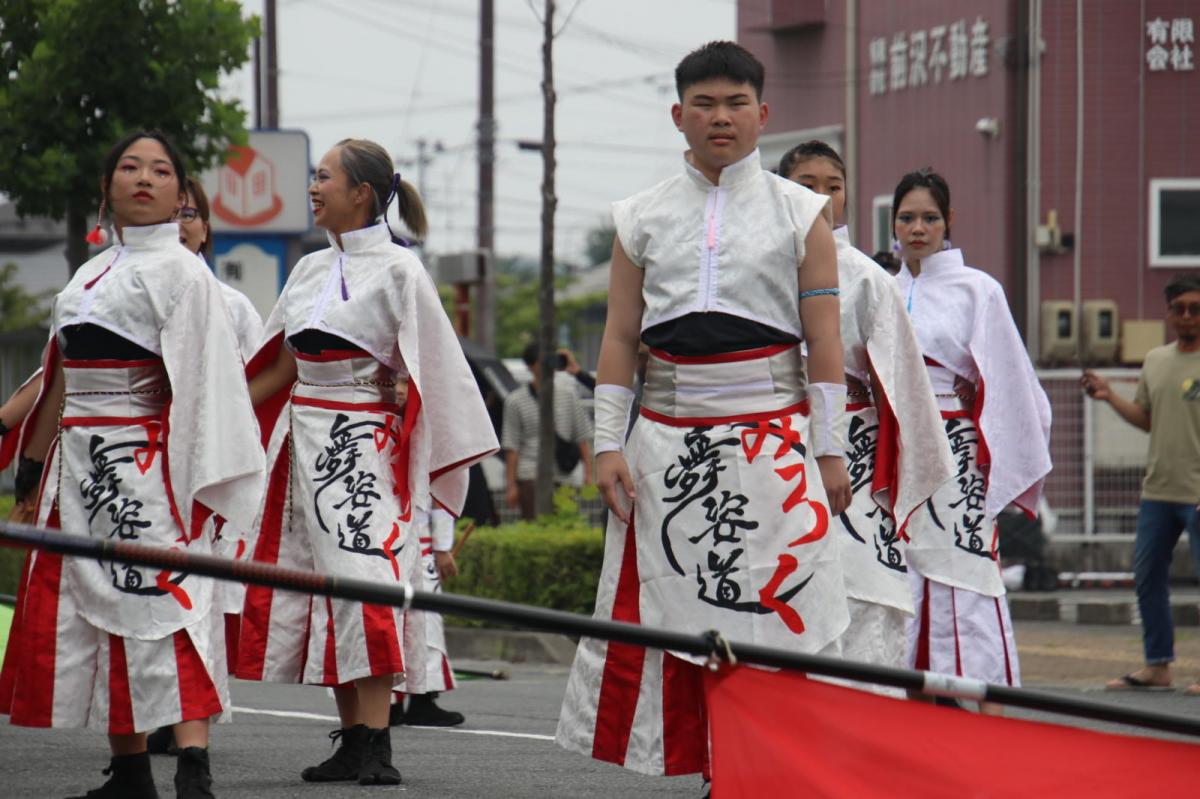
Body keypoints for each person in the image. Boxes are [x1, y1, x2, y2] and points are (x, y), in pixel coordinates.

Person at [557, 41, 851, 778]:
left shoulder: (801, 211)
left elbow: (824, 343)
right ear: (678, 114)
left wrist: (831, 448)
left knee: (776, 610)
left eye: (736, 103)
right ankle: (719, 769)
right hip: (664, 446)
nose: (721, 117)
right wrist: (605, 444)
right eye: (705, 103)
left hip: (774, 444)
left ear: (763, 114)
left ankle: (768, 770)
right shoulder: (641, 216)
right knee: (678, 616)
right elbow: (621, 337)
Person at [0, 130, 266, 799]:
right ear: (106, 187)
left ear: (181, 193)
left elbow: (208, 387)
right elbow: (57, 378)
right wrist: (31, 468)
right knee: (96, 613)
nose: (144, 177)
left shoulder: (185, 274)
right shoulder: (87, 276)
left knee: (163, 605)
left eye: (161, 169)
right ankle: (128, 769)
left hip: (149, 467)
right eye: (129, 166)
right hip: (81, 466)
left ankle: (194, 770)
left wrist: (195, 484)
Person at [235, 138, 497, 787]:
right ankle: (353, 738)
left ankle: (379, 740)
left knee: (366, 584)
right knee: (328, 591)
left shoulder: (402, 271)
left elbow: (435, 371)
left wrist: (409, 413)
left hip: (364, 451)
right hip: (301, 446)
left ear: (363, 193)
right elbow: (285, 366)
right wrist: (219, 410)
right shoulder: (305, 271)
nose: (313, 187)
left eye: (324, 177)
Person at [779, 141, 953, 676]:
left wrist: (903, 470)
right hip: (776, 436)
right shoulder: (758, 266)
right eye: (806, 185)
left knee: (861, 587)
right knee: (780, 583)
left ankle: (863, 724)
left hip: (852, 442)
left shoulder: (869, 277)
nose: (822, 197)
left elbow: (906, 387)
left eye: (833, 185)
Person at [892, 169, 1051, 702]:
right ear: (893, 223)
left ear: (949, 221)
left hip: (955, 446)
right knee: (900, 562)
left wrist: (983, 419)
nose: (918, 228)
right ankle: (903, 687)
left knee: (962, 564)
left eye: (930, 217)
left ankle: (974, 692)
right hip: (895, 449)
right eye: (908, 218)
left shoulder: (978, 289)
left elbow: (1010, 378)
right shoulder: (881, 288)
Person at [144, 175, 265, 757]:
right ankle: (152, 718)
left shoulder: (234, 306)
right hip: (143, 462)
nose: (184, 221)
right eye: (178, 212)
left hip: (207, 465)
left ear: (207, 230)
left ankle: (188, 722)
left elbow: (257, 386)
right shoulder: (129, 286)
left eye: (194, 214)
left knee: (196, 591)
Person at [1083, 273, 1200, 695]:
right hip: (1159, 491)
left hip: (1198, 494)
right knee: (1147, 574)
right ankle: (1158, 665)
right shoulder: (1156, 360)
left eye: (1195, 308)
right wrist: (1110, 396)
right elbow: (1148, 420)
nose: (1187, 316)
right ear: (1168, 313)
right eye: (1179, 308)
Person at [501, 341, 594, 520]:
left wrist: (588, 475)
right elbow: (512, 446)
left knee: (566, 524)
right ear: (530, 366)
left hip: (563, 475)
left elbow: (582, 436)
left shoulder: (568, 395)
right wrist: (511, 485)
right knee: (534, 523)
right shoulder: (515, 401)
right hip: (529, 475)